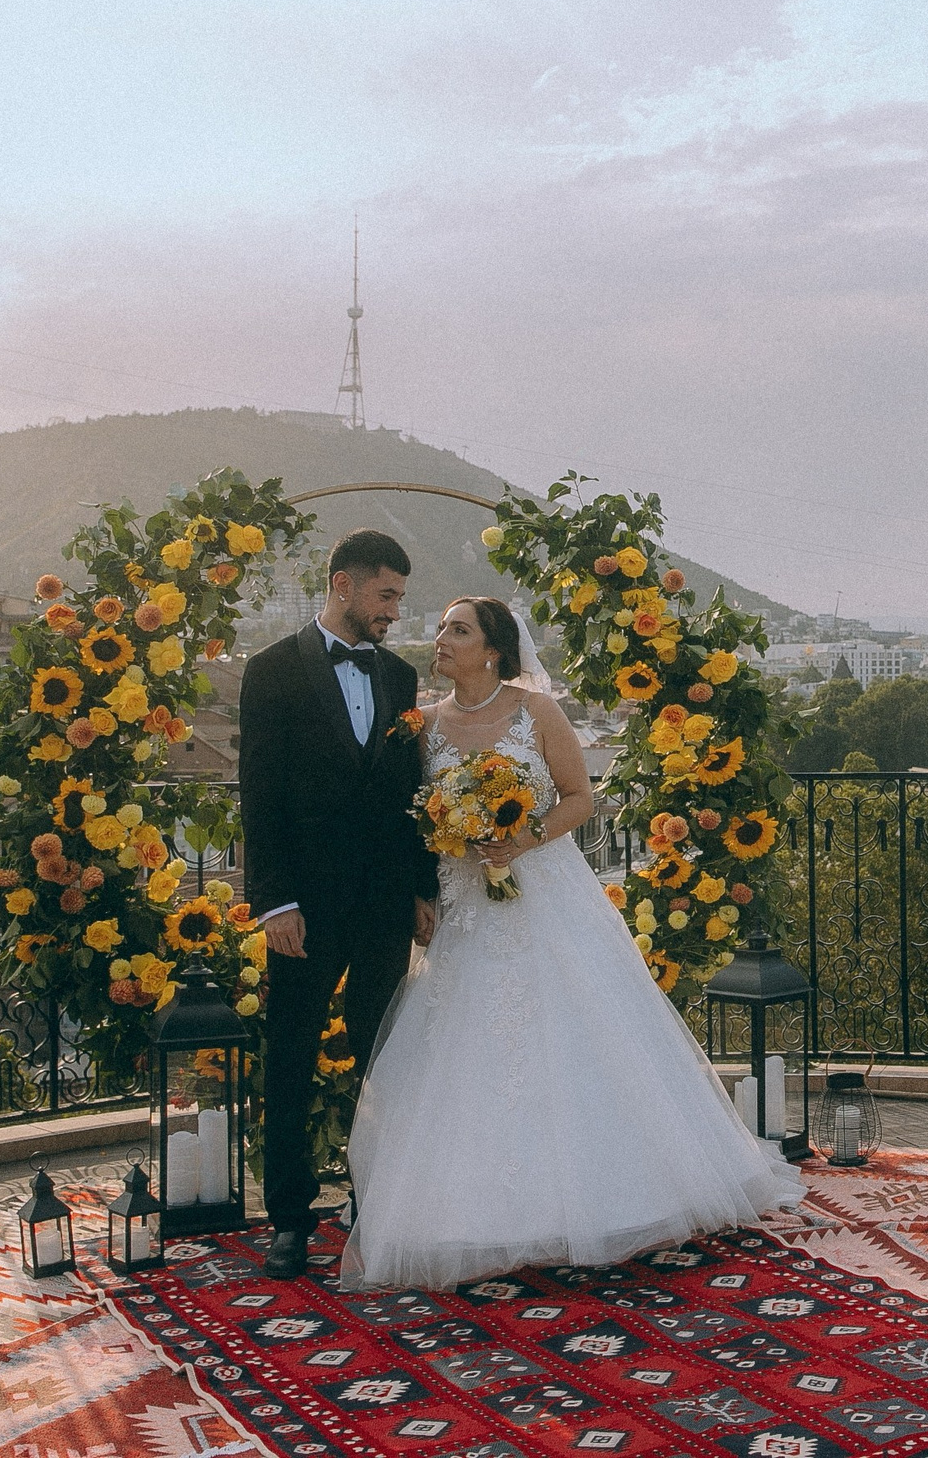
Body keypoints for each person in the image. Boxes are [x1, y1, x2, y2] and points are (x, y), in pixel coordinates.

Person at [337, 597, 800, 1289]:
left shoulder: (535, 713)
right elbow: (407, 822)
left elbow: (580, 796)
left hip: (539, 896)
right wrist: (430, 877)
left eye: (457, 628)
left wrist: (521, 837)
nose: (441, 638)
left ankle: (609, 1197)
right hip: (465, 908)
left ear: (492, 649)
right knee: (461, 1045)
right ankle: (469, 1211)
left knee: (571, 1033)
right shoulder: (423, 727)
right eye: (440, 627)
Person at [237, 529, 440, 1281]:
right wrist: (275, 901)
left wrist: (422, 885)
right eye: (385, 595)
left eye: (398, 598)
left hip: (384, 898)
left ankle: (377, 1203)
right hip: (304, 907)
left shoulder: (401, 676)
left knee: (382, 1057)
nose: (393, 611)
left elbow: (408, 793)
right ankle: (288, 1221)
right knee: (288, 1053)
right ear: (344, 584)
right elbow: (259, 796)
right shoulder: (271, 671)